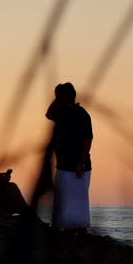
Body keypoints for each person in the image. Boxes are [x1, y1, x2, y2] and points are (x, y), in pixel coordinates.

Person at [46, 82, 93, 229]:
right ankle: (66, 232)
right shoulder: (61, 113)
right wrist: (58, 96)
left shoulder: (81, 114)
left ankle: (80, 231)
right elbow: (49, 113)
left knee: (79, 203)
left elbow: (88, 140)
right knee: (63, 202)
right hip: (63, 165)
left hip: (79, 166)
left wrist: (81, 162)